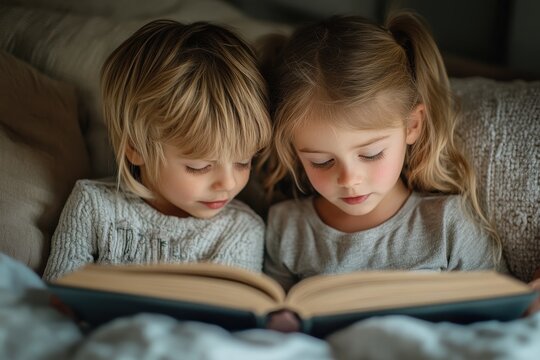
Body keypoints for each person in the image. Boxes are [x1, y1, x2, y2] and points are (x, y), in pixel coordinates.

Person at [259, 12, 508, 292]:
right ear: (293, 148)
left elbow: (500, 309)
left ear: (412, 126)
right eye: (322, 161)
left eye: (371, 154)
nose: (349, 179)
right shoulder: (287, 228)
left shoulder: (448, 225)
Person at [43, 19, 271, 282]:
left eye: (243, 162)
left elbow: (228, 315)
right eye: (200, 166)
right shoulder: (93, 206)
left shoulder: (241, 231)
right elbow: (58, 294)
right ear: (135, 148)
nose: (229, 183)